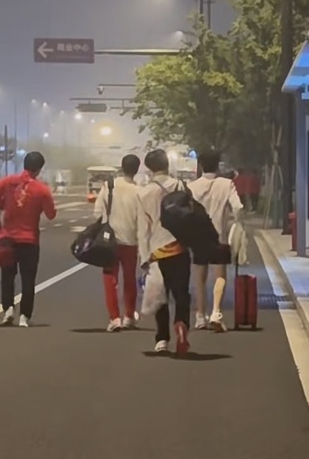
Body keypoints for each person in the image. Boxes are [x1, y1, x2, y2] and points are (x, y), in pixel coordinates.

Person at [0, 151, 56, 327]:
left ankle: (8, 309)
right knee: (28, 279)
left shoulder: (9, 181)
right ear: (39, 169)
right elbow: (51, 214)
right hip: (29, 240)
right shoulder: (42, 189)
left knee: (7, 276)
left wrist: (4, 205)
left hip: (8, 238)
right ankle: (24, 316)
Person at [137, 148, 191, 355]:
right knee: (181, 292)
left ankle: (162, 339)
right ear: (167, 164)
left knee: (160, 296)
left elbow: (143, 230)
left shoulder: (143, 193)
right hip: (179, 247)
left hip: (157, 251)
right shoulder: (180, 186)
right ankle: (181, 324)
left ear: (149, 168)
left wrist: (144, 258)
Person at [189, 149, 243, 332]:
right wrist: (236, 223)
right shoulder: (227, 184)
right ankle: (216, 312)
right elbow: (238, 207)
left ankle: (200, 316)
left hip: (198, 237)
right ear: (218, 165)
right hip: (220, 236)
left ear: (201, 166)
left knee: (200, 278)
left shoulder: (192, 187)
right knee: (219, 276)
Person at [94, 153, 140, 332]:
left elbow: (98, 212)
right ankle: (129, 316)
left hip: (110, 242)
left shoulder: (110, 186)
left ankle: (114, 318)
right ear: (137, 170)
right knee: (130, 279)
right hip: (131, 241)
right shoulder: (139, 190)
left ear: (122, 166)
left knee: (110, 279)